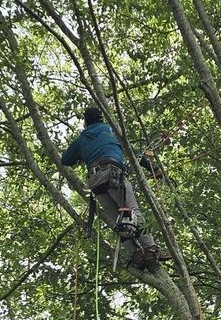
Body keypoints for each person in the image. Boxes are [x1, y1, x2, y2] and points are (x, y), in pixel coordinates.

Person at [62, 106, 163, 270]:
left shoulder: (81, 139)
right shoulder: (110, 131)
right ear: (101, 119)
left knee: (119, 220)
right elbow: (133, 152)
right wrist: (153, 168)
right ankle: (150, 250)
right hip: (113, 174)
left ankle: (136, 254)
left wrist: (82, 154)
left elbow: (65, 160)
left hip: (96, 183)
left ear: (85, 123)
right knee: (132, 212)